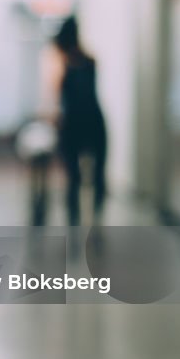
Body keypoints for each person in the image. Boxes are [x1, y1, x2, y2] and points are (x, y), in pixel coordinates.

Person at [50, 16, 107, 226]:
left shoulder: (64, 63)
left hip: (77, 123)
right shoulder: (89, 61)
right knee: (91, 176)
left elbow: (56, 97)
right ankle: (93, 221)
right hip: (91, 121)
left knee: (75, 177)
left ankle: (79, 221)